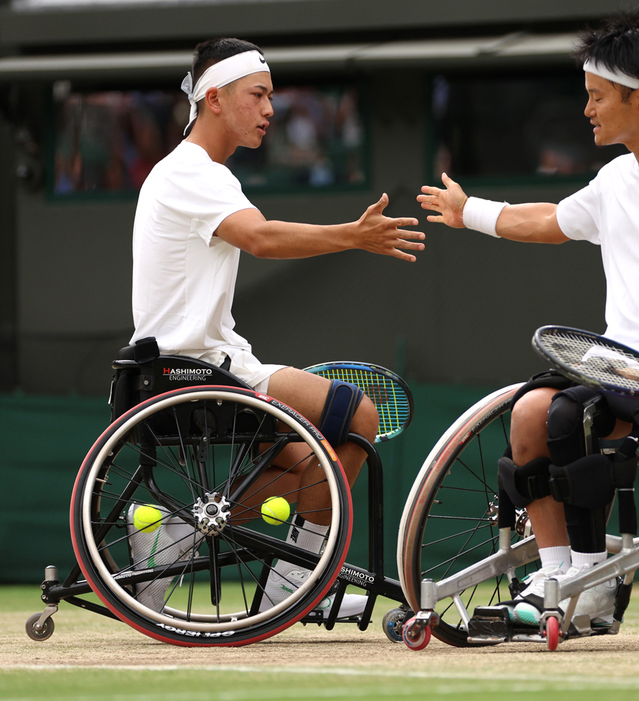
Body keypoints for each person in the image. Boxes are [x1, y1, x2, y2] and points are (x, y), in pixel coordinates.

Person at [418, 11, 639, 628]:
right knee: (527, 416)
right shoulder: (613, 179)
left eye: (597, 97)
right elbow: (550, 221)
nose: (587, 110)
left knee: (561, 418)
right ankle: (556, 577)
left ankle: (590, 584)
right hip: (620, 365)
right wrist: (468, 210)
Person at [125, 37, 425, 618]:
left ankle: (191, 546)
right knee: (359, 415)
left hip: (200, 362)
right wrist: (353, 236)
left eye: (271, 97)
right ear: (213, 99)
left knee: (309, 468)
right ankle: (297, 585)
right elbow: (260, 238)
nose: (269, 110)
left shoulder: (196, 172)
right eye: (258, 95)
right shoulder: (192, 170)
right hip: (195, 368)